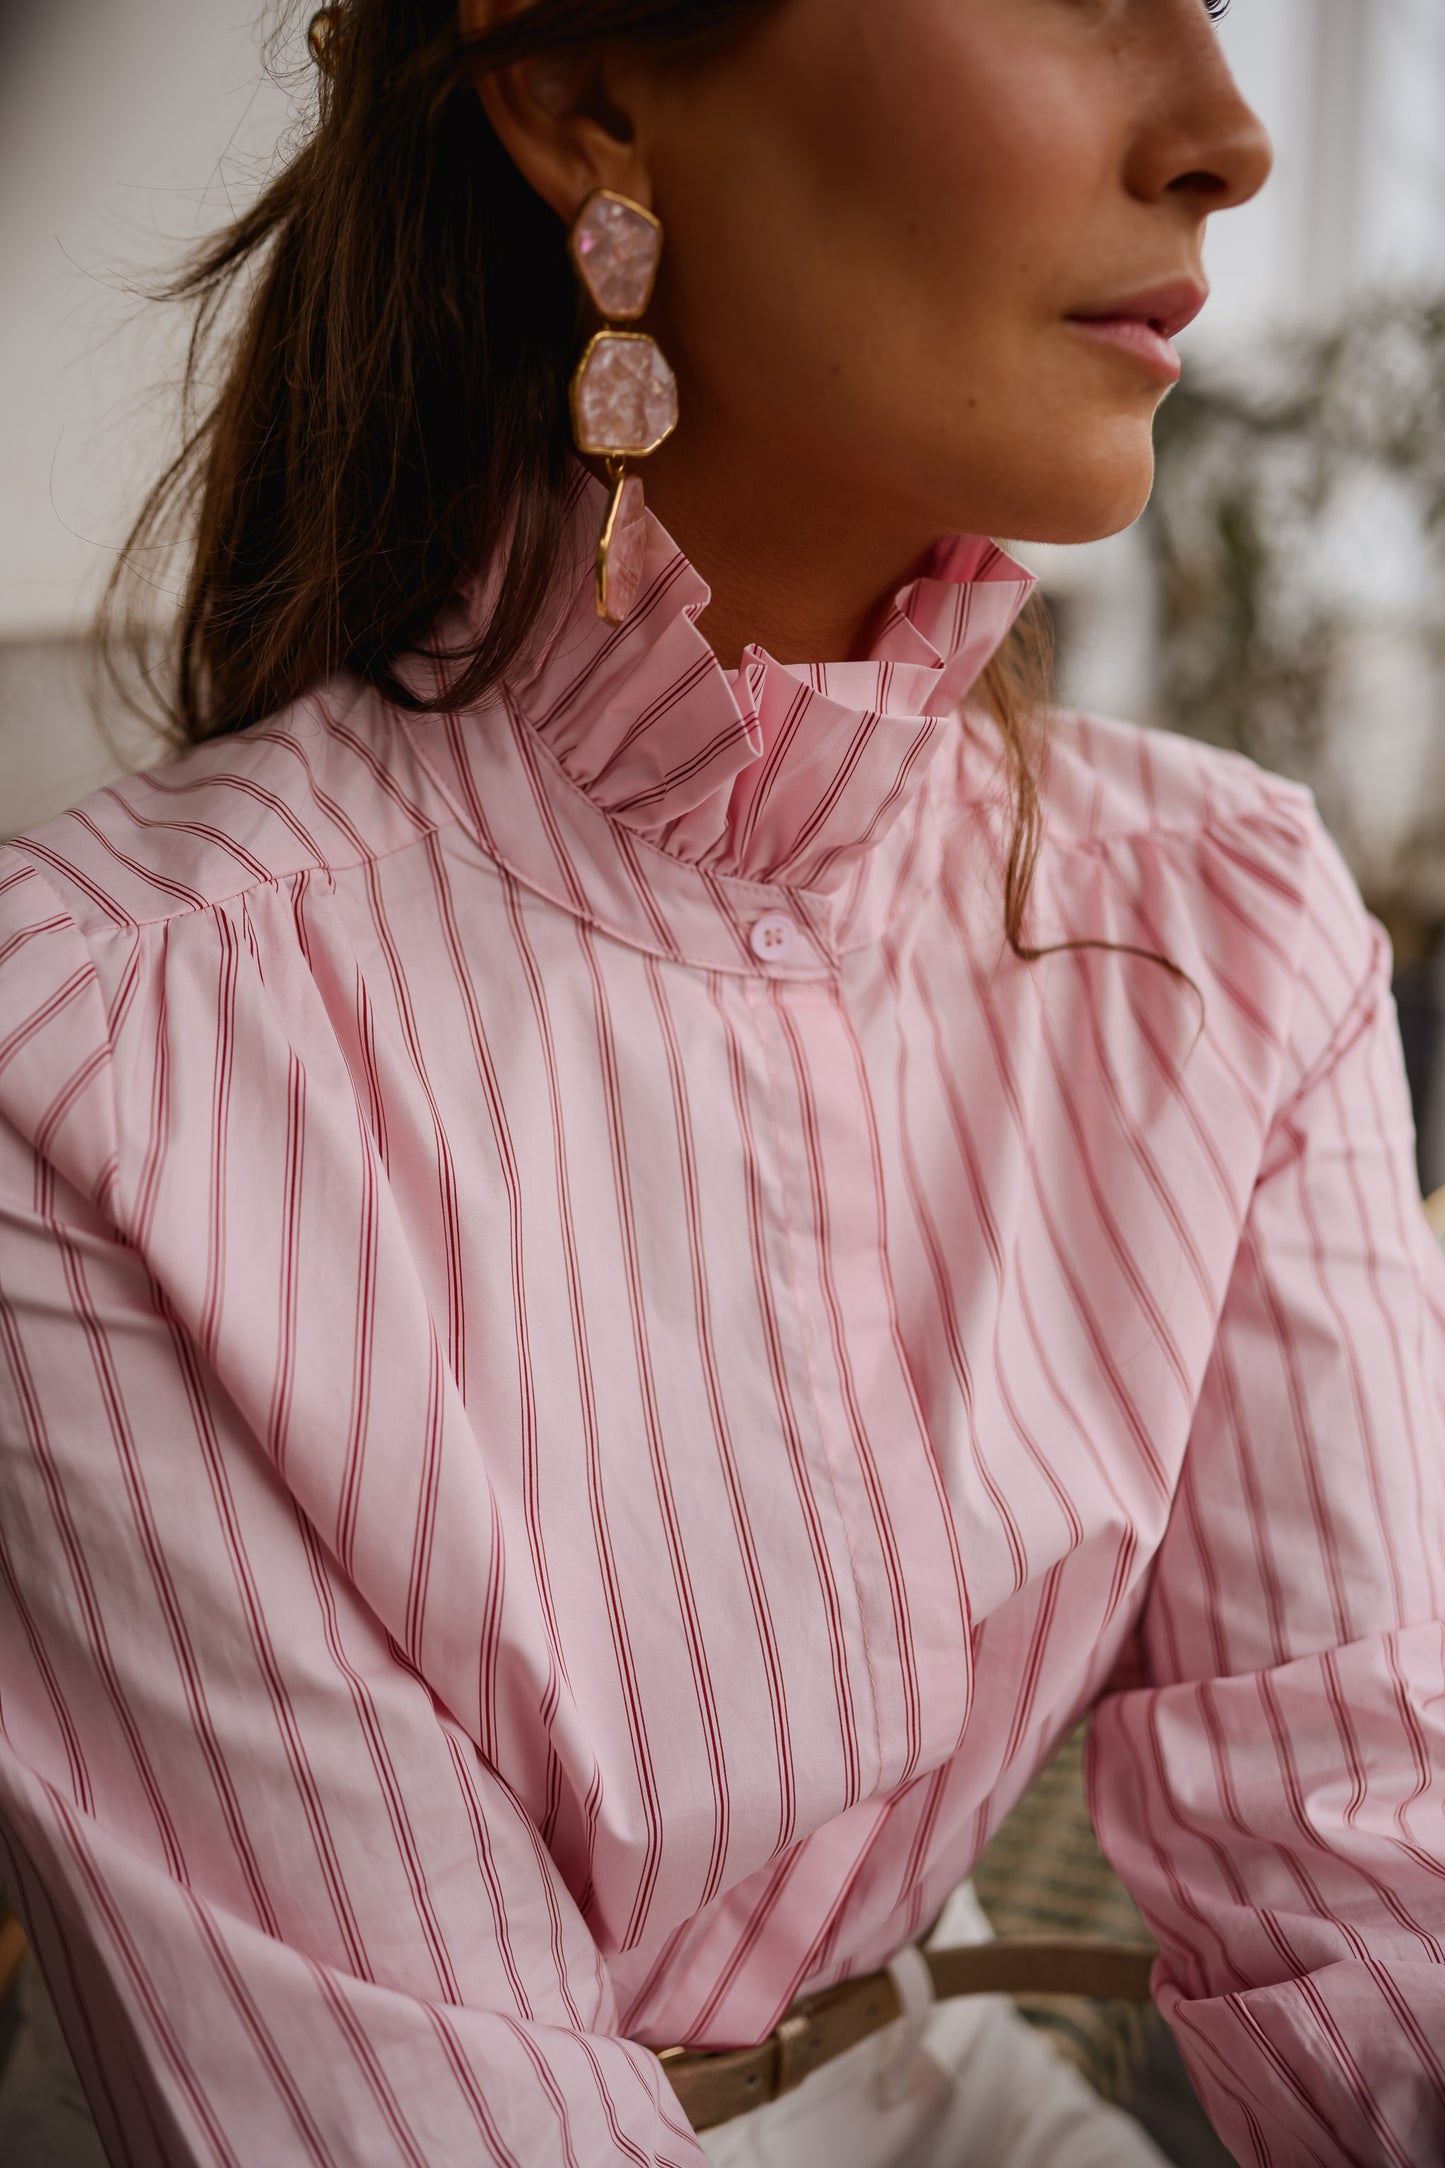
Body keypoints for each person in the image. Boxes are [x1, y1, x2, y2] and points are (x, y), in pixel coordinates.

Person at [0, 0, 1441, 2161]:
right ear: (583, 94)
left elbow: (1365, 1877)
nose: (1228, 137)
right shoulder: (100, 1050)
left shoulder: (1229, 931)